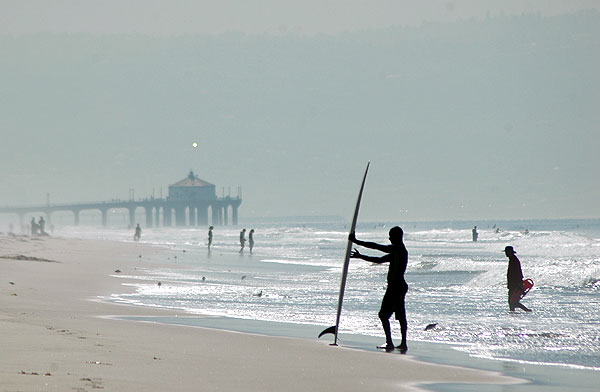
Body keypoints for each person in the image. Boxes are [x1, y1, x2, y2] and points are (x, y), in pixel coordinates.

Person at [349, 226, 409, 353]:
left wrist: (357, 241)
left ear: (397, 237)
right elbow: (379, 260)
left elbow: (377, 247)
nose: (389, 238)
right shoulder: (397, 252)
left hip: (396, 287)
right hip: (398, 286)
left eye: (391, 236)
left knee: (384, 315)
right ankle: (401, 343)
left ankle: (391, 342)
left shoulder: (398, 249)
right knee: (399, 315)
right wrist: (361, 256)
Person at [504, 246, 532, 312]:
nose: (506, 253)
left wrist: (518, 283)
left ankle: (526, 310)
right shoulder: (512, 259)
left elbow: (517, 273)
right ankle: (513, 313)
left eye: (507, 252)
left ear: (510, 252)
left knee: (512, 301)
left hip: (515, 283)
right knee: (512, 301)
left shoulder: (514, 260)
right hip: (513, 283)